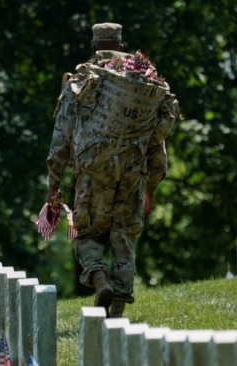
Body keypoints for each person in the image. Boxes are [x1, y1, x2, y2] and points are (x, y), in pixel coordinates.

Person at [45, 22, 181, 318]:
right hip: (133, 171)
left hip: (93, 172)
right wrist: (151, 187)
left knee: (87, 234)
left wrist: (53, 185)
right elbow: (157, 142)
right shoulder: (141, 84)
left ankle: (98, 278)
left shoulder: (80, 81)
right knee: (124, 236)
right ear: (121, 45)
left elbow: (61, 139)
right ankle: (117, 311)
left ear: (95, 46)